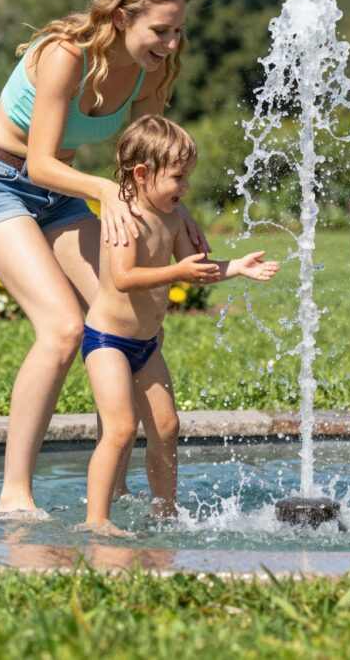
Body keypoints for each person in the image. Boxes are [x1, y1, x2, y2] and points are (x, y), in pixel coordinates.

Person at [0, 0, 208, 517]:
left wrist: (178, 209)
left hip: (59, 193)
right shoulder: (65, 54)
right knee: (64, 328)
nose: (170, 43)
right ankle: (15, 494)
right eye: (160, 31)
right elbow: (40, 163)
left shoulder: (152, 70)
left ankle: (111, 486)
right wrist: (103, 191)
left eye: (177, 30)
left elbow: (149, 160)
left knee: (122, 314)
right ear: (121, 18)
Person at [80, 115, 278, 535]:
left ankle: (165, 514)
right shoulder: (124, 217)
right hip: (108, 342)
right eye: (177, 178)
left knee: (168, 427)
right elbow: (123, 277)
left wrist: (235, 267)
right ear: (142, 174)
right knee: (120, 428)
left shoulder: (171, 217)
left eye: (187, 177)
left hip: (145, 344)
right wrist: (176, 273)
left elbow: (196, 268)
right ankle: (96, 521)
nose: (185, 187)